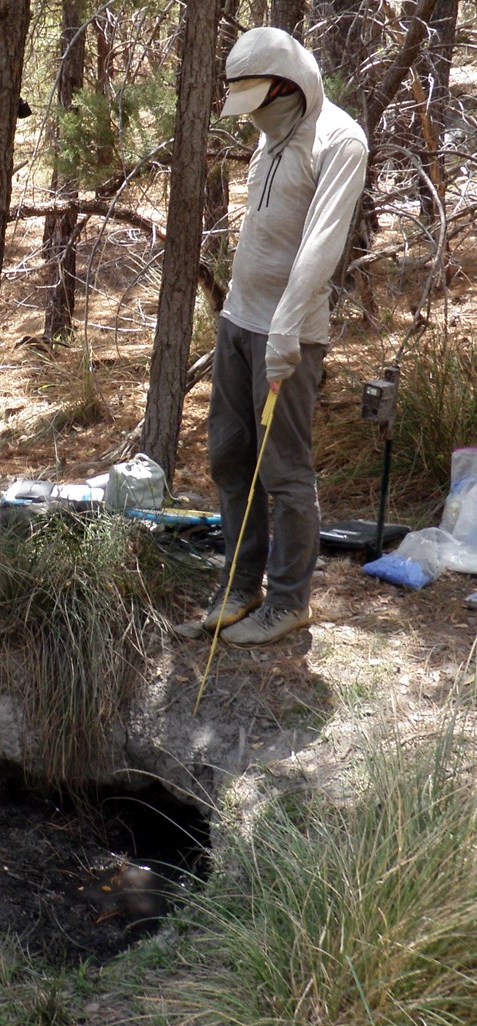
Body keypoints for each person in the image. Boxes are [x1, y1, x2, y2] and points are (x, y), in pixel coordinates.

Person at [201, 27, 368, 646]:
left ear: (288, 87)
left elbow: (320, 248)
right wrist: (239, 318)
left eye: (261, 105)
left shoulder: (340, 141)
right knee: (229, 454)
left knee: (284, 470)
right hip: (238, 324)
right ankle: (242, 585)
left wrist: (285, 332)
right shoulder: (269, 140)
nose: (254, 121)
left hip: (288, 337)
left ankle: (290, 600)